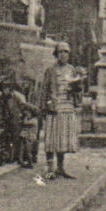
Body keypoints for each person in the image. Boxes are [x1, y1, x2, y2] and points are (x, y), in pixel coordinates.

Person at [36, 45, 82, 179]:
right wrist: (43, 107)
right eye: (60, 52)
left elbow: (78, 89)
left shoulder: (71, 70)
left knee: (62, 138)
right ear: (56, 54)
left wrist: (75, 88)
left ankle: (60, 167)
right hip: (54, 108)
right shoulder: (50, 70)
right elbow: (44, 90)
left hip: (67, 107)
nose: (63, 55)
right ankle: (50, 168)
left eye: (66, 52)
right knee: (51, 138)